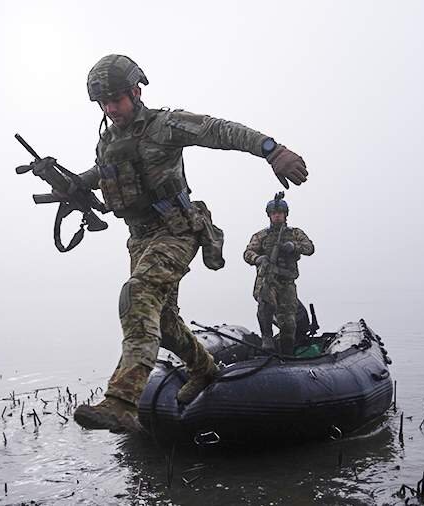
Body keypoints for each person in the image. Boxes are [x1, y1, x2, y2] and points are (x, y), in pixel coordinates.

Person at [72, 54, 309, 433]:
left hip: (177, 229)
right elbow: (105, 173)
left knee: (139, 292)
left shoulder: (165, 125)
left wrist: (271, 149)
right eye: (104, 103)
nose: (111, 108)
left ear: (136, 91)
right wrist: (76, 184)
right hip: (140, 239)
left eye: (117, 99)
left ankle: (121, 401)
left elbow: (217, 130)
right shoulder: (108, 142)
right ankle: (204, 369)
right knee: (164, 324)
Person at [243, 192, 314, 354]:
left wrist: (294, 246)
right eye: (274, 214)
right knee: (266, 305)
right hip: (268, 279)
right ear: (269, 216)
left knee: (289, 323)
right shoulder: (261, 236)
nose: (276, 216)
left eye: (279, 213)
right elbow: (247, 253)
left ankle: (287, 353)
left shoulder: (295, 233)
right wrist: (258, 258)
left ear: (285, 215)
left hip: (287, 282)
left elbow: (309, 248)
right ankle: (266, 338)